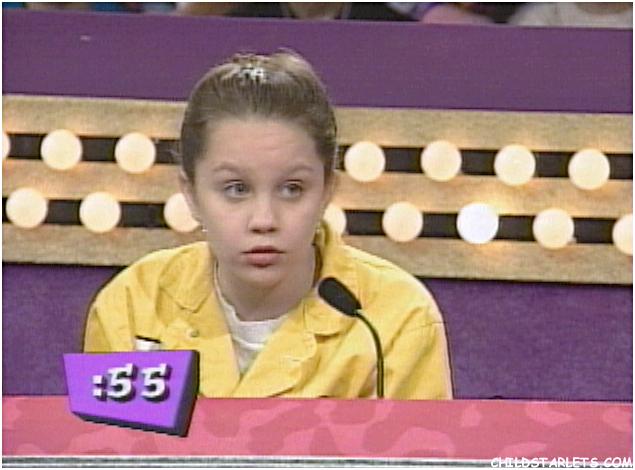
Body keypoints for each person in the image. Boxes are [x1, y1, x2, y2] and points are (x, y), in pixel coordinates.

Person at [84, 51, 453, 400]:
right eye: (236, 189)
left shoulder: (397, 317)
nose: (264, 221)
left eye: (292, 189)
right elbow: (106, 442)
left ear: (327, 191)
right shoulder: (133, 304)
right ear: (191, 194)